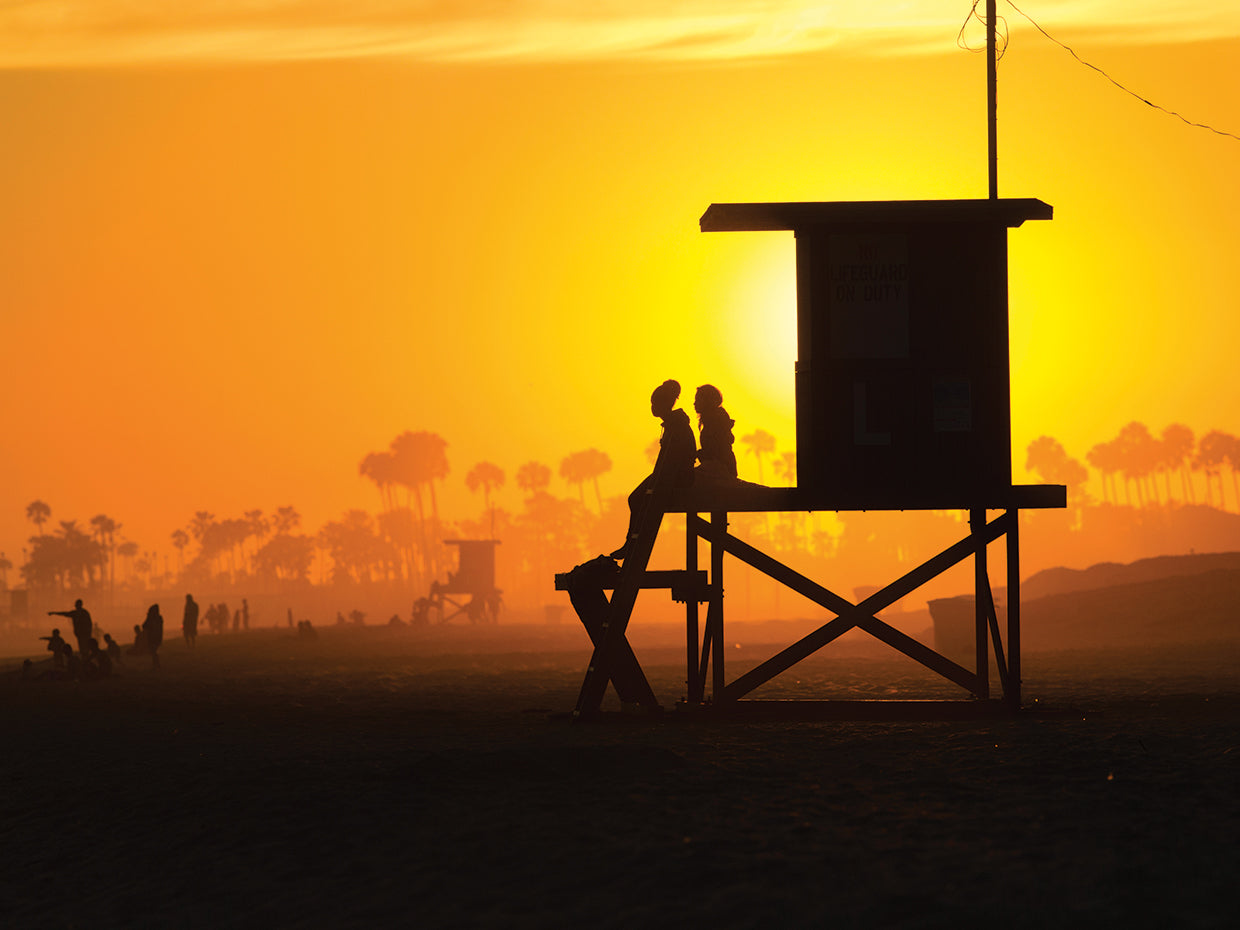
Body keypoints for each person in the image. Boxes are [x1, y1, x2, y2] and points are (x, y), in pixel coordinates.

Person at [611, 379, 697, 561]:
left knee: (636, 499)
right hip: (667, 476)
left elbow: (673, 461)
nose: (652, 407)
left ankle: (632, 544)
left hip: (676, 478)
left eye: (655, 403)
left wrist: (657, 485)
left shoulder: (677, 426)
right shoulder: (672, 424)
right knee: (636, 499)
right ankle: (630, 543)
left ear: (664, 404)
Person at [693, 383, 738, 480]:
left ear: (707, 401)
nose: (694, 403)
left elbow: (715, 451)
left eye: (697, 400)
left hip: (721, 469)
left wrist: (696, 454)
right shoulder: (711, 420)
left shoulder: (715, 421)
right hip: (719, 467)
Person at [142, 604, 164, 669]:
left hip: (153, 637)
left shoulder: (153, 618)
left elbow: (144, 626)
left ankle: (156, 665)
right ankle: (156, 664)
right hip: (156, 637)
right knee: (153, 651)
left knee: (153, 651)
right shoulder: (159, 618)